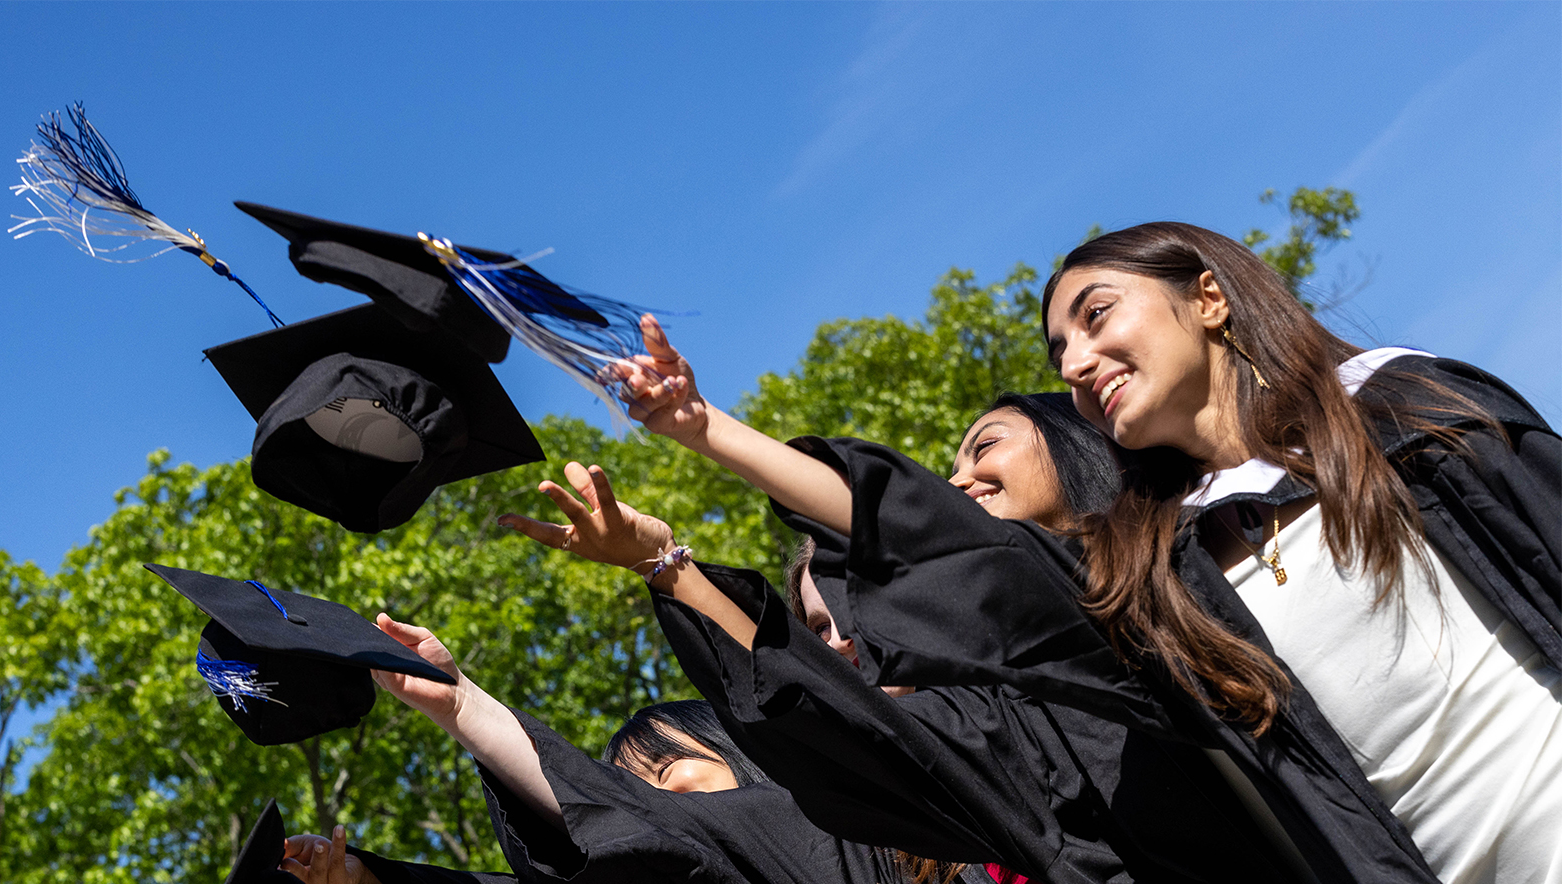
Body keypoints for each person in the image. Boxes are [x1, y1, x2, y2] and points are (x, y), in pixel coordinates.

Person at [612, 222, 1561, 882]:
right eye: (1060, 349)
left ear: (1211, 298)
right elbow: (944, 543)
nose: (1073, 362)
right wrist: (707, 433)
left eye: (1096, 316)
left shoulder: (1408, 411)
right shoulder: (1157, 581)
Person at [499, 396, 1304, 883]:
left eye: (984, 446)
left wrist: (708, 437)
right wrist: (663, 563)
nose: (843, 645)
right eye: (817, 631)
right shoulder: (924, 817)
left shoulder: (1219, 569)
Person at [355, 612, 997, 884]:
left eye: (672, 772)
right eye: (633, 793)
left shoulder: (850, 832)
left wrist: (467, 705)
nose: (650, 810)